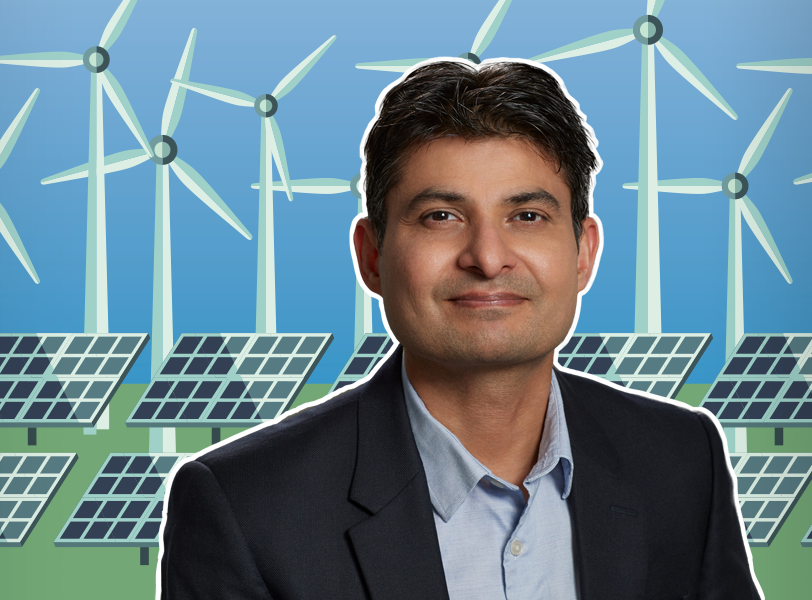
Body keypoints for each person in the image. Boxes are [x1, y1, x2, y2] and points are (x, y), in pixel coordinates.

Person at [159, 59, 763, 600]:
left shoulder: (682, 460)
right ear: (372, 256)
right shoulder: (245, 507)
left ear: (584, 254)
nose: (488, 256)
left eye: (527, 216)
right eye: (441, 216)